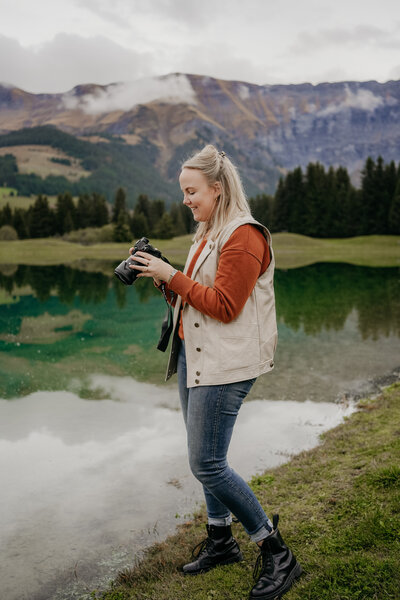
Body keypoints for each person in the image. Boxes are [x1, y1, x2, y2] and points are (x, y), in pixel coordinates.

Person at [129, 144, 302, 600]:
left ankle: (276, 551)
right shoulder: (209, 230)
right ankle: (222, 542)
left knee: (206, 463)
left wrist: (172, 275)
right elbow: (197, 296)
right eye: (184, 192)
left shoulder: (244, 236)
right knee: (205, 459)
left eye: (192, 191)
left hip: (226, 365)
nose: (186, 200)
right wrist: (164, 280)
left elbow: (226, 307)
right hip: (196, 356)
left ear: (218, 188)